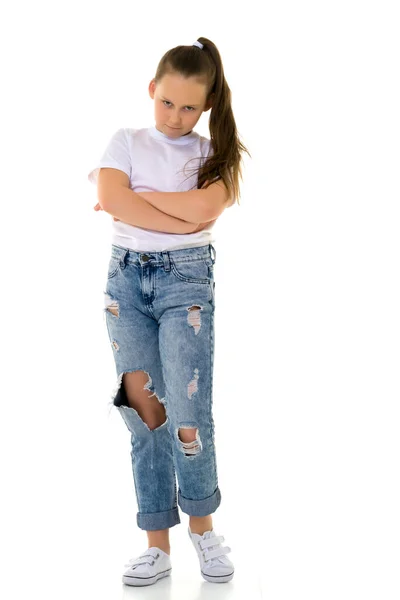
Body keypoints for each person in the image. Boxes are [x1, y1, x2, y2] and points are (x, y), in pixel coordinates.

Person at [88, 37, 250, 587]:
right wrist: (177, 217)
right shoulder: (126, 140)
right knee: (143, 413)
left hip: (186, 287)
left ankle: (203, 530)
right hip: (124, 287)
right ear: (151, 90)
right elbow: (115, 199)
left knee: (187, 412)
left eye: (189, 107)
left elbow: (205, 207)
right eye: (167, 102)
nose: (176, 116)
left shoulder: (211, 156)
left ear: (205, 107)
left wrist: (140, 198)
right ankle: (157, 545)